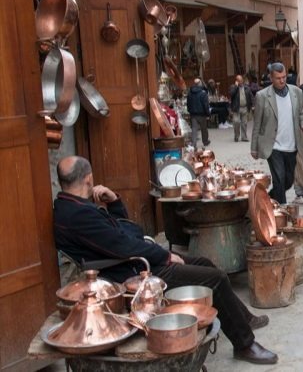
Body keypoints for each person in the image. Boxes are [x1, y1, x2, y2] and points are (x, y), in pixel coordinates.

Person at [53, 156, 278, 365]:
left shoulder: (72, 206)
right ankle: (245, 344)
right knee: (215, 278)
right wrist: (165, 255)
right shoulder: (78, 215)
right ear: (89, 178)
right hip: (134, 272)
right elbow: (123, 245)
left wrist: (114, 203)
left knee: (204, 264)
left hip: (135, 259)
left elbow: (126, 231)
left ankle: (242, 319)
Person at [251, 63, 303, 204]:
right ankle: (282, 211)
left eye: (284, 77)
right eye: (278, 78)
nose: (282, 80)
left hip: (292, 145)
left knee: (288, 181)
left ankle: (266, 200)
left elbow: (301, 114)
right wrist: (254, 147)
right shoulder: (262, 96)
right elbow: (257, 123)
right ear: (271, 78)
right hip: (273, 146)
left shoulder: (297, 92)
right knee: (279, 177)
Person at [229, 75, 254, 142]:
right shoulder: (233, 87)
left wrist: (253, 105)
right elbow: (231, 94)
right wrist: (236, 86)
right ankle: (236, 136)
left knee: (244, 123)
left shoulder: (246, 88)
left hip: (245, 107)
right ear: (236, 81)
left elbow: (251, 96)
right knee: (236, 122)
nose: (240, 82)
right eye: (238, 80)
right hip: (236, 108)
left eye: (241, 80)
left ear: (242, 80)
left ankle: (244, 137)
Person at [187, 78, 211, 148]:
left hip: (193, 114)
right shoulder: (203, 93)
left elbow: (188, 104)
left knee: (194, 129)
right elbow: (206, 105)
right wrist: (208, 114)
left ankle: (194, 144)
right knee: (204, 128)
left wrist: (189, 111)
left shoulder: (190, 93)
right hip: (202, 114)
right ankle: (205, 141)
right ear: (200, 84)